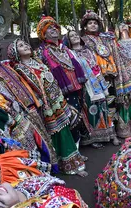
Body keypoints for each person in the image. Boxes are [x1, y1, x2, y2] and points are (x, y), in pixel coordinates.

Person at [0, 31, 58, 167]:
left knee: (44, 139)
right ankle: (41, 172)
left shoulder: (6, 66)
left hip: (31, 107)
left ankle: (52, 167)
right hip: (18, 115)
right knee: (31, 145)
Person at [7, 39, 88, 176]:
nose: (26, 45)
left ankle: (73, 159)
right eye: (20, 46)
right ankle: (68, 165)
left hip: (57, 101)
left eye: (26, 43)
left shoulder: (37, 62)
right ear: (15, 53)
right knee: (57, 133)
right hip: (45, 107)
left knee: (64, 130)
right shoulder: (19, 69)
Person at [36, 16, 89, 148]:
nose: (53, 29)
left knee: (77, 118)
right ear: (43, 33)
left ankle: (76, 151)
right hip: (57, 93)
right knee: (67, 120)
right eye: (49, 28)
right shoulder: (41, 52)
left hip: (75, 88)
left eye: (55, 27)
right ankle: (71, 152)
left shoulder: (65, 49)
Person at [65, 29, 120, 147]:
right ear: (68, 40)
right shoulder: (69, 53)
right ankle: (95, 138)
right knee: (90, 109)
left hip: (96, 81)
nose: (74, 37)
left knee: (104, 106)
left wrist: (101, 82)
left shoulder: (88, 50)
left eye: (76, 35)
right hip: (84, 84)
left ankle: (111, 134)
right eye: (71, 36)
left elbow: (95, 65)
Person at [113, 23, 131, 138]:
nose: (124, 27)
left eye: (125, 25)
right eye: (121, 26)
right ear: (118, 30)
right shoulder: (116, 44)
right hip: (123, 75)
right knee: (126, 101)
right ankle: (125, 130)